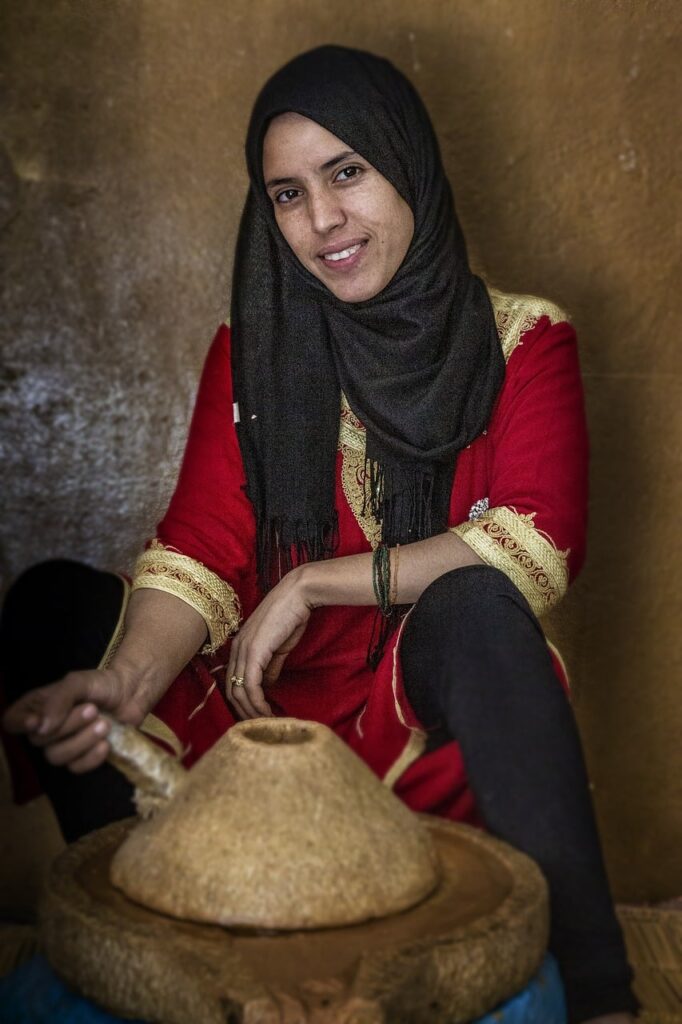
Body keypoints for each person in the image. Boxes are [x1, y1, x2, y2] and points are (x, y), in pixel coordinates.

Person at [1, 46, 637, 1024]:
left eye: (348, 173)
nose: (323, 220)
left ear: (408, 165)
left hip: (407, 721)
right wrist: (123, 684)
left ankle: (602, 998)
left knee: (476, 603)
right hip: (251, 727)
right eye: (287, 194)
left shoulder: (521, 339)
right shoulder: (251, 353)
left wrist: (315, 583)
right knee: (55, 604)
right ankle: (163, 940)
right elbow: (201, 549)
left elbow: (534, 544)